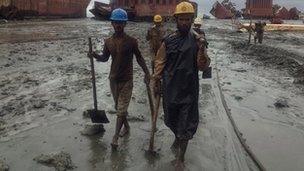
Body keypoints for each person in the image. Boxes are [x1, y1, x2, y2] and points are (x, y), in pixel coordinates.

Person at [152, 2, 210, 170]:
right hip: (171, 89)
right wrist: (156, 81)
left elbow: (203, 66)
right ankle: (177, 136)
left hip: (189, 90)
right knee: (171, 120)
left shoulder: (197, 41)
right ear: (176, 19)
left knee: (186, 124)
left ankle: (180, 159)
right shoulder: (168, 41)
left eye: (188, 19)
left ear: (192, 20)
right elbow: (160, 63)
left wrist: (201, 51)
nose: (184, 22)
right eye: (181, 19)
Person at [88, 8, 150, 149]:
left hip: (127, 80)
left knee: (121, 110)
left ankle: (115, 136)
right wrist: (94, 55)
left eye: (121, 23)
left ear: (125, 24)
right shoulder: (108, 42)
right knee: (118, 107)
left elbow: (139, 57)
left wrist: (147, 72)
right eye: (116, 22)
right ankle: (126, 127)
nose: (118, 25)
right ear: (112, 24)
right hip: (113, 80)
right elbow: (104, 58)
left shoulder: (131, 41)